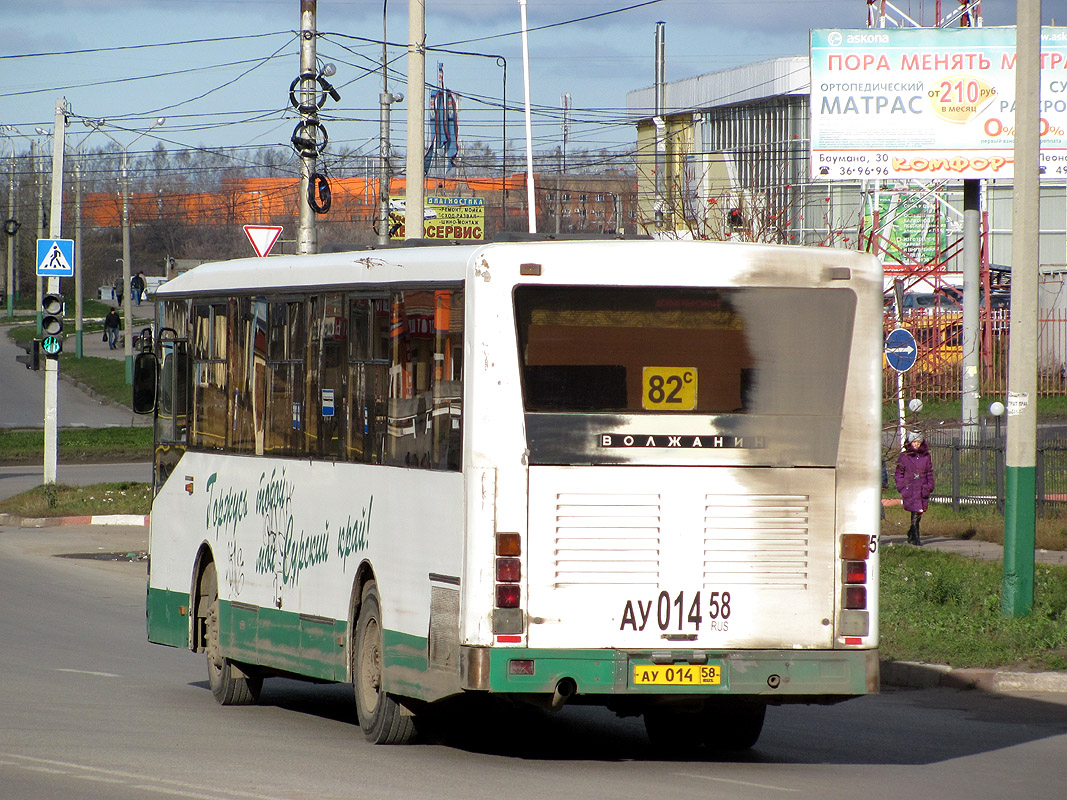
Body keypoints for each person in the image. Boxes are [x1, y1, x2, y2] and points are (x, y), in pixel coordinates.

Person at [895, 430, 934, 546]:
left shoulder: (926, 457)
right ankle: (916, 536)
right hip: (910, 488)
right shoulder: (904, 457)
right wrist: (902, 486)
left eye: (918, 442)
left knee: (919, 512)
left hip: (922, 488)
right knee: (914, 511)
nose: (916, 444)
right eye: (914, 442)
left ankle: (912, 533)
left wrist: (929, 486)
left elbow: (929, 473)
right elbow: (899, 473)